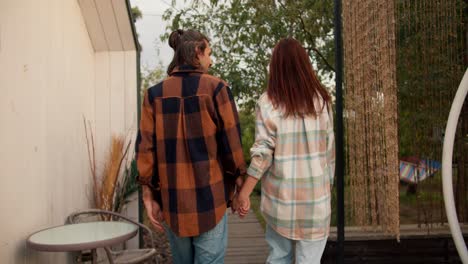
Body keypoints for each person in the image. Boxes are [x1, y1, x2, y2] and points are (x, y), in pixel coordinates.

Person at [135, 29, 246, 264]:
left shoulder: (154, 95)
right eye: (209, 53)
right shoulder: (217, 89)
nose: (210, 60)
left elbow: (146, 150)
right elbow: (232, 145)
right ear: (197, 51)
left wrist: (148, 195)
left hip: (172, 202)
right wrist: (240, 185)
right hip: (211, 200)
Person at [233, 38, 335, 264]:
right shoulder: (322, 102)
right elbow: (329, 154)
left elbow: (263, 153)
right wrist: (326, 188)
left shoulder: (268, 102)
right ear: (304, 64)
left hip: (282, 203)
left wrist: (244, 193)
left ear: (275, 66)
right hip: (316, 204)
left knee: (279, 259)